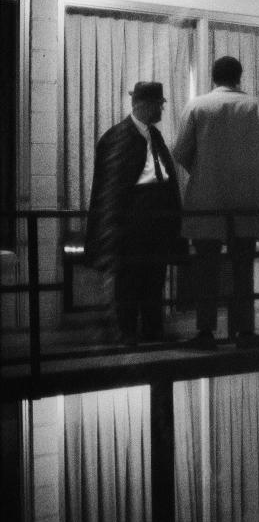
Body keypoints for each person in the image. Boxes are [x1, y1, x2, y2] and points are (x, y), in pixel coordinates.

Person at [173, 56, 259, 349]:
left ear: (213, 76)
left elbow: (181, 152)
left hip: (207, 200)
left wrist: (205, 171)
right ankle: (244, 331)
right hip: (248, 201)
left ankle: (206, 332)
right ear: (239, 77)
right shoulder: (257, 107)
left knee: (206, 269)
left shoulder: (196, 106)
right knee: (243, 268)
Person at [85, 81, 181, 345]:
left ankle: (150, 330)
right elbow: (110, 189)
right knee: (130, 281)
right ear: (144, 105)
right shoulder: (121, 137)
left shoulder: (148, 136)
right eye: (158, 104)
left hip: (153, 227)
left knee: (151, 280)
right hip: (132, 228)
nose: (161, 108)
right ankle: (129, 332)